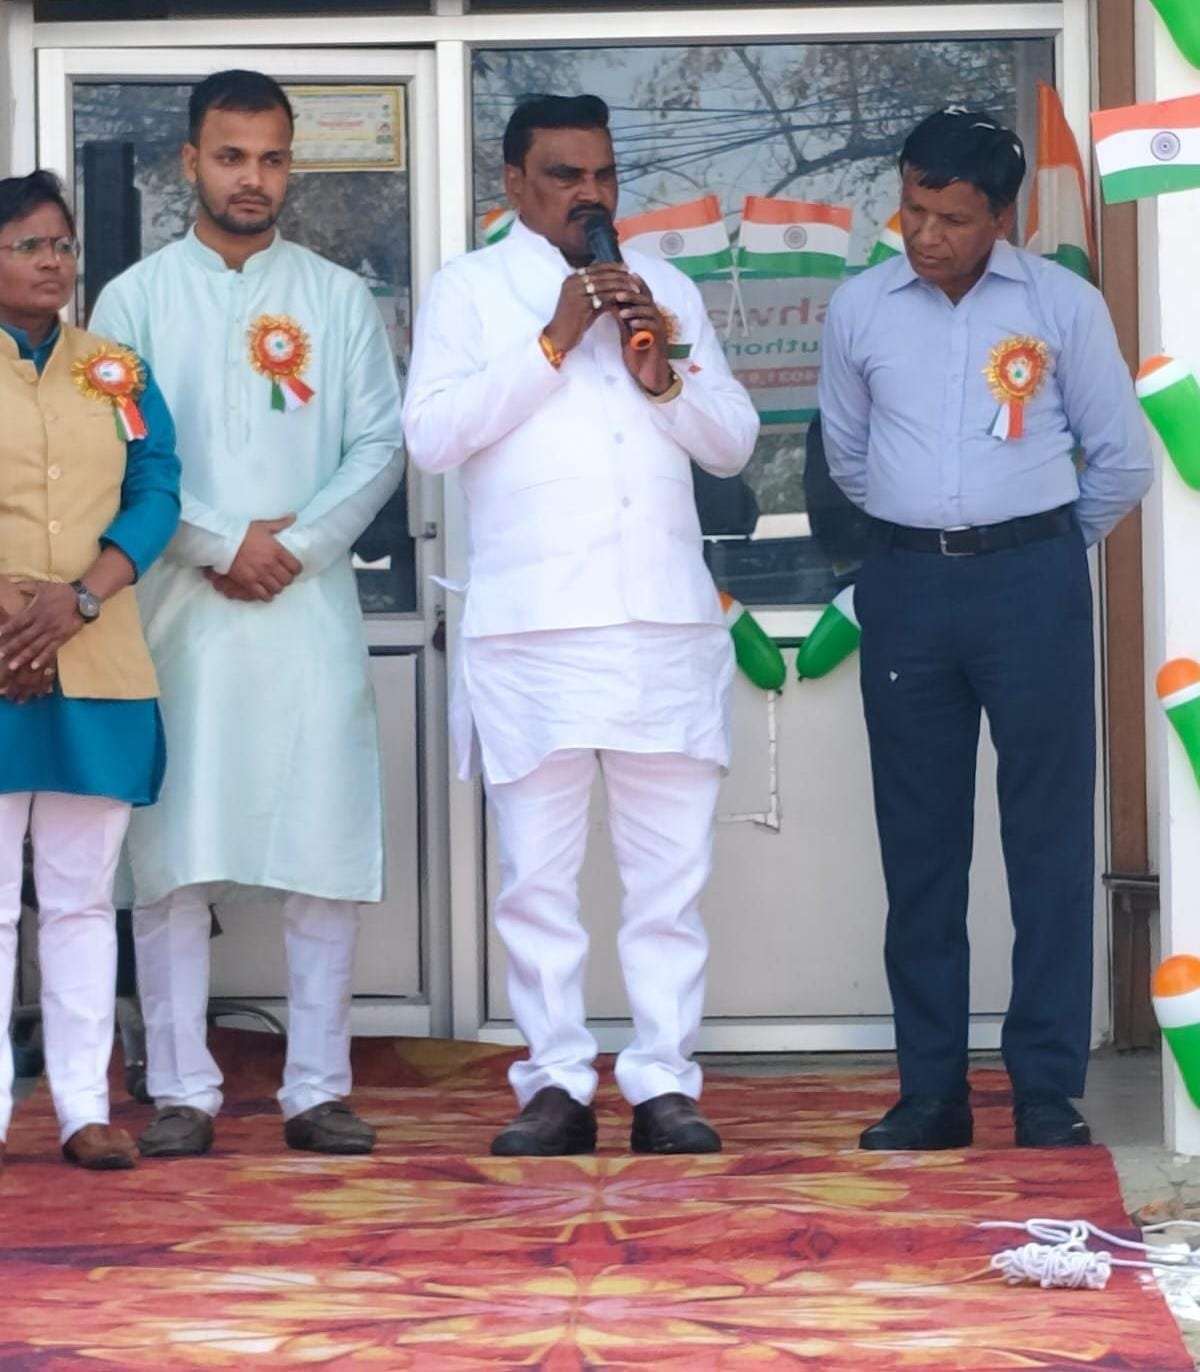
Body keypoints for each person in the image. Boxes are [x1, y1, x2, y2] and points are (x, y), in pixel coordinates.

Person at [404, 94, 759, 1157]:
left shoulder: (667, 289)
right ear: (515, 183)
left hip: (663, 628)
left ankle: (664, 1083)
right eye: (565, 176)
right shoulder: (470, 291)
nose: (591, 195)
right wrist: (554, 340)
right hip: (534, 634)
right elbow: (431, 437)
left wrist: (666, 381)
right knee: (537, 886)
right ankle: (555, 1080)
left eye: (603, 175)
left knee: (669, 886)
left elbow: (734, 443)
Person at [818, 108, 1153, 1150]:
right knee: (919, 845)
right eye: (913, 210)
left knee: (1047, 841)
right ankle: (932, 1092)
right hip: (909, 587)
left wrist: (1035, 544)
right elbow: (848, 457)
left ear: (1001, 217)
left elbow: (1123, 459)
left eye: (952, 218)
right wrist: (931, 530)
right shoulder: (860, 308)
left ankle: (1045, 1088)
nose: (926, 235)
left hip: (1031, 589)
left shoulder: (1062, 304)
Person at [90, 70, 403, 1159]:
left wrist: (298, 546)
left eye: (271, 157)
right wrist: (225, 541)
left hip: (306, 609)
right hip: (175, 611)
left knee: (321, 846)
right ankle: (182, 1088)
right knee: (171, 856)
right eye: (231, 157)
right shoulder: (132, 302)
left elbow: (379, 445)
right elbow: (120, 449)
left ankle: (317, 1088)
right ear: (190, 162)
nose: (252, 178)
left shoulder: (336, 296)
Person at [0, 170, 180, 1170]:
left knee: (79, 897)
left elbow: (157, 489)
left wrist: (76, 599)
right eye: (29, 245)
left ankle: (82, 1107)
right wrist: (13, 609)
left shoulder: (115, 370)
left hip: (96, 653)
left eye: (62, 245)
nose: (53, 262)